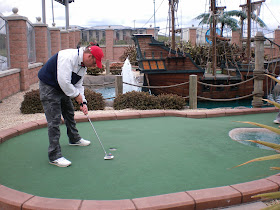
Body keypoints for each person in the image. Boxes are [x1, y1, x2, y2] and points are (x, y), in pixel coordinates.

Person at [38, 45, 104, 167]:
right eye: (95, 63)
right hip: (49, 87)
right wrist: (76, 95)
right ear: (89, 56)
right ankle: (54, 156)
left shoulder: (83, 65)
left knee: (69, 113)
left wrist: (83, 102)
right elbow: (64, 81)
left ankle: (74, 139)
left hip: (62, 87)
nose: (94, 66)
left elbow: (78, 85)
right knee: (54, 121)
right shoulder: (68, 57)